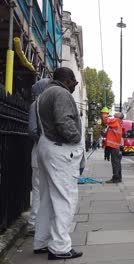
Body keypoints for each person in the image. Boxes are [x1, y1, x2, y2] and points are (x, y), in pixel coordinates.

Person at [33, 67, 84, 260]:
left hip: (46, 145)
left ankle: (42, 241)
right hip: (60, 149)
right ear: (69, 80)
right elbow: (64, 122)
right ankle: (60, 247)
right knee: (65, 199)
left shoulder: (45, 94)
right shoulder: (61, 93)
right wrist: (77, 138)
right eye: (75, 83)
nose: (74, 87)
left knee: (46, 199)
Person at [27, 78, 50, 234]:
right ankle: (34, 223)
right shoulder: (37, 105)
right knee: (39, 189)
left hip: (42, 150)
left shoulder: (41, 104)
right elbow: (33, 131)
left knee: (41, 190)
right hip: (42, 151)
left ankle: (38, 222)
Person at [102, 112, 124, 183]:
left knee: (115, 162)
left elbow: (105, 120)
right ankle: (119, 177)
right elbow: (110, 134)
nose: (115, 113)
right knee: (117, 162)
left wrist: (104, 112)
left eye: (118, 113)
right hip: (116, 146)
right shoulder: (119, 123)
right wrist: (104, 133)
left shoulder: (115, 120)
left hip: (113, 146)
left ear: (119, 116)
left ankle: (116, 178)